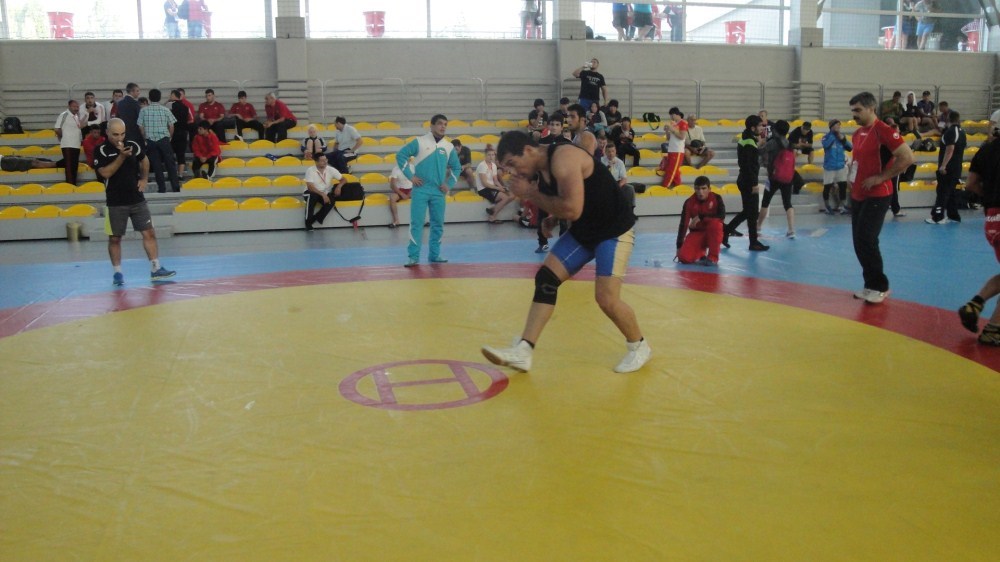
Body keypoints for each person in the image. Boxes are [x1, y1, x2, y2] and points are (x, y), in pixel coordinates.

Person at [481, 131, 650, 374]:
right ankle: (524, 351)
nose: (513, 172)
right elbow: (574, 198)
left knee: (606, 298)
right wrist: (552, 218)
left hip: (613, 229)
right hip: (585, 229)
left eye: (512, 164)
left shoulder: (563, 158)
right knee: (546, 279)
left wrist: (530, 193)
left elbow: (572, 209)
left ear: (528, 151)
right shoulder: (541, 169)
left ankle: (639, 346)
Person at [847, 91, 916, 305]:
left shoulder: (884, 131)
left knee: (867, 239)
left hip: (878, 194)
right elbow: (858, 161)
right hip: (858, 193)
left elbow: (907, 157)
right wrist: (851, 177)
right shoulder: (857, 134)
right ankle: (870, 284)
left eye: (858, 110)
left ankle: (880, 287)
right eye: (853, 111)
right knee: (859, 242)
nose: (854, 114)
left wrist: (880, 178)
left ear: (871, 108)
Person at [94, 118, 175, 286]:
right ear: (107, 133)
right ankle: (117, 272)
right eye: (115, 134)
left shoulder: (132, 145)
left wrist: (144, 178)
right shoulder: (101, 150)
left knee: (149, 233)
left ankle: (156, 268)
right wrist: (121, 157)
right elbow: (105, 173)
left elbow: (144, 160)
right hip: (115, 201)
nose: (119, 138)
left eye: (122, 134)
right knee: (115, 238)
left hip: (137, 199)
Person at [394, 114, 461, 267]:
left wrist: (449, 184)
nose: (443, 126)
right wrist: (411, 177)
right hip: (420, 190)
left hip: (439, 192)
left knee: (438, 224)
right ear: (431, 125)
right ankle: (413, 256)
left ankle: (435, 255)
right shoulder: (419, 141)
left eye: (445, 124)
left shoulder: (448, 146)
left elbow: (457, 168)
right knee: (417, 223)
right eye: (440, 123)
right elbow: (401, 155)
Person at [958, 133, 1000, 346]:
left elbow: (971, 184)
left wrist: (991, 198)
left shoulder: (985, 150)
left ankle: (975, 305)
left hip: (992, 218)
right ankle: (993, 329)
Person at [724, 114, 769, 252]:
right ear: (752, 128)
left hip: (743, 179)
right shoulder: (750, 142)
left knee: (748, 212)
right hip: (748, 181)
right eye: (760, 125)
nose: (762, 128)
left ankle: (726, 231)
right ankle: (753, 242)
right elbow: (750, 166)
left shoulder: (745, 139)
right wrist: (754, 184)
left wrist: (758, 144)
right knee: (752, 213)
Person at [757, 120, 797, 239]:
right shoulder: (790, 144)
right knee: (788, 203)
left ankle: (758, 227)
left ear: (775, 131)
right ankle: (791, 230)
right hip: (788, 178)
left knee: (765, 202)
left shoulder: (773, 142)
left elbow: (760, 151)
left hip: (773, 177)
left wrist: (759, 143)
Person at [927, 110, 966, 224]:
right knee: (952, 191)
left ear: (948, 119)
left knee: (942, 191)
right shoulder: (962, 132)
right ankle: (953, 216)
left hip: (948, 168)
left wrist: (943, 166)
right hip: (957, 167)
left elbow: (950, 149)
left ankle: (937, 217)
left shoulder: (950, 131)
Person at [137, 88, 180, 193]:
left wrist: (145, 137)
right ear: (160, 98)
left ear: (149, 98)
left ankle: (162, 189)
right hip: (164, 139)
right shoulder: (165, 110)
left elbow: (140, 127)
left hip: (151, 141)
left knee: (157, 166)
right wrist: (169, 137)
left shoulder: (143, 110)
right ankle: (175, 187)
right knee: (170, 164)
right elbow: (171, 126)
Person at [676, 176, 725, 266]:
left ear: (709, 189)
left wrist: (701, 217)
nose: (700, 192)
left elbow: (721, 216)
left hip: (713, 233)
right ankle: (701, 254)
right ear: (694, 189)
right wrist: (679, 246)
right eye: (697, 189)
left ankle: (713, 258)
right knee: (684, 258)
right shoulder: (689, 202)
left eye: (703, 188)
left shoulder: (716, 198)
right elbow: (683, 224)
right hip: (698, 233)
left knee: (716, 224)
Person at [303, 153, 346, 231]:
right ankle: (308, 222)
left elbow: (343, 179)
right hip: (310, 192)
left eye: (326, 160)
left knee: (331, 201)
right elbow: (310, 187)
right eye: (322, 161)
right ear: (316, 162)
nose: (325, 162)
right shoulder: (310, 170)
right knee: (312, 197)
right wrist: (322, 194)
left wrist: (339, 187)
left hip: (324, 192)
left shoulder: (331, 169)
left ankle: (316, 218)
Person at [476, 144, 515, 223]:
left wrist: (502, 188)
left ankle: (493, 207)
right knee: (505, 197)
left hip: (492, 187)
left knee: (512, 195)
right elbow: (484, 183)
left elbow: (496, 180)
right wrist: (498, 188)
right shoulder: (482, 165)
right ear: (485, 156)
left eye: (493, 155)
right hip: (484, 189)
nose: (491, 157)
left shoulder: (493, 165)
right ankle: (492, 217)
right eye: (489, 155)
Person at [821, 119, 853, 214]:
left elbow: (850, 148)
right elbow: (826, 145)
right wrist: (834, 136)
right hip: (829, 167)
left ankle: (843, 206)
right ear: (831, 127)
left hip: (840, 166)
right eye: (836, 125)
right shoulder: (826, 137)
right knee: (827, 187)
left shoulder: (841, 137)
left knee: (843, 186)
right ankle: (827, 207)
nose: (838, 127)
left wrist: (842, 139)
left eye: (839, 125)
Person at [55, 99, 85, 185]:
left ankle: (74, 184)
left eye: (77, 107)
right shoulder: (64, 115)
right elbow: (57, 128)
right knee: (69, 166)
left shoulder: (76, 117)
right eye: (74, 106)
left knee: (74, 166)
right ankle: (69, 185)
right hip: (67, 144)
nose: (76, 108)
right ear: (69, 106)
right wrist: (64, 137)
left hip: (76, 144)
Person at [659, 107, 688, 188]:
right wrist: (667, 130)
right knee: (675, 171)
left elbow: (682, 136)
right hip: (671, 150)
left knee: (671, 171)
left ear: (675, 114)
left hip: (678, 151)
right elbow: (668, 138)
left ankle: (665, 187)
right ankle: (679, 187)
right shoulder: (674, 124)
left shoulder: (683, 123)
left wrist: (673, 130)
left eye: (671, 115)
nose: (671, 117)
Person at [168, 89, 193, 179]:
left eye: (171, 95)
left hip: (172, 133)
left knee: (170, 155)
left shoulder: (170, 104)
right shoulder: (186, 107)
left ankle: (172, 174)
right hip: (183, 133)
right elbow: (191, 120)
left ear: (174, 96)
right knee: (181, 155)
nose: (169, 96)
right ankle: (180, 175)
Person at [388, 163, 412, 228]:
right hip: (400, 190)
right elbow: (392, 185)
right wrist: (402, 194)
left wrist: (409, 194)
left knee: (423, 196)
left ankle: (422, 220)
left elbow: (417, 183)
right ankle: (396, 220)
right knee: (392, 197)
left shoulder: (413, 167)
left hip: (412, 189)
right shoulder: (396, 169)